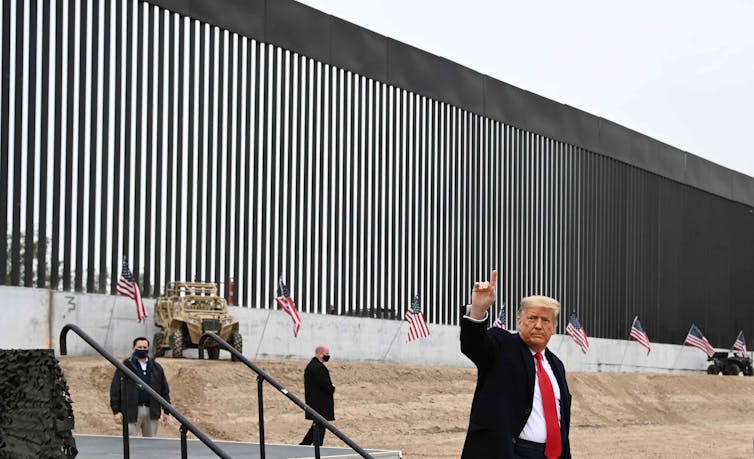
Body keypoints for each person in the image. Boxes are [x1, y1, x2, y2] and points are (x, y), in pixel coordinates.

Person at [460, 270, 571, 459]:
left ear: (554, 328)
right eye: (532, 318)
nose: (538, 325)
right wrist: (478, 311)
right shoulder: (501, 346)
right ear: (519, 322)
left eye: (545, 320)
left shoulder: (556, 365)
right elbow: (474, 345)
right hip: (508, 452)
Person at [109, 337, 171, 437]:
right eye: (139, 347)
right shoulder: (125, 367)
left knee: (150, 443)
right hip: (131, 411)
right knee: (130, 443)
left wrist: (167, 411)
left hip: (151, 411)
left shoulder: (156, 367)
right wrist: (116, 411)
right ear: (133, 348)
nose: (142, 349)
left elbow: (164, 390)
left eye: (144, 347)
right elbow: (115, 389)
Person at [299, 345, 335, 446]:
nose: (328, 356)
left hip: (316, 402)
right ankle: (315, 446)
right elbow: (325, 385)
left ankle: (305, 444)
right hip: (320, 403)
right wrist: (332, 388)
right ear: (319, 354)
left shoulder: (312, 366)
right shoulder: (318, 367)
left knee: (318, 425)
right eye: (326, 354)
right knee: (320, 425)